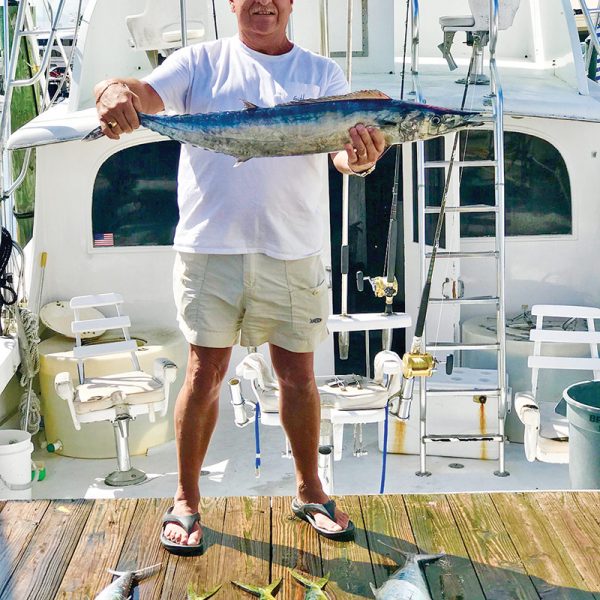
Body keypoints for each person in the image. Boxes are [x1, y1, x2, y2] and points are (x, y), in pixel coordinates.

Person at [94, 0, 385, 555]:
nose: (262, 4)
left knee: (298, 375)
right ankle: (185, 499)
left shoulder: (322, 74)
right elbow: (143, 94)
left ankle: (310, 491)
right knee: (204, 373)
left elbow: (342, 158)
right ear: (231, 3)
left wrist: (364, 158)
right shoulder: (198, 62)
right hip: (210, 249)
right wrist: (112, 89)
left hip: (292, 249)